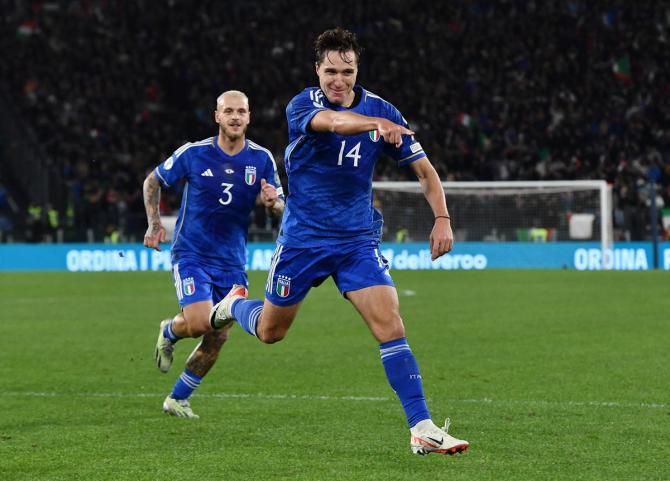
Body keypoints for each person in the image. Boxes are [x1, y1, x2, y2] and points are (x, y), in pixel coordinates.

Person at [210, 28, 468, 455]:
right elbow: (333, 123)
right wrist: (376, 125)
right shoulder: (303, 105)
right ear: (318, 70)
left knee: (390, 324)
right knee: (272, 332)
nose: (338, 80)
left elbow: (425, 171)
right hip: (303, 241)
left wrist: (442, 218)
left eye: (346, 72)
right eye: (330, 71)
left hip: (356, 241)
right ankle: (232, 305)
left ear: (356, 70)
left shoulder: (382, 109)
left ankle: (421, 428)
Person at [143, 90, 284, 419]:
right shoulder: (194, 154)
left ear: (249, 117)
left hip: (232, 262)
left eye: (242, 111)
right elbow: (153, 182)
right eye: (229, 111)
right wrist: (153, 224)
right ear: (217, 116)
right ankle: (169, 331)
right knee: (197, 322)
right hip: (192, 254)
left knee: (217, 336)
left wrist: (272, 203)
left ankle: (178, 398)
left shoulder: (261, 159)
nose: (235, 117)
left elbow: (281, 207)